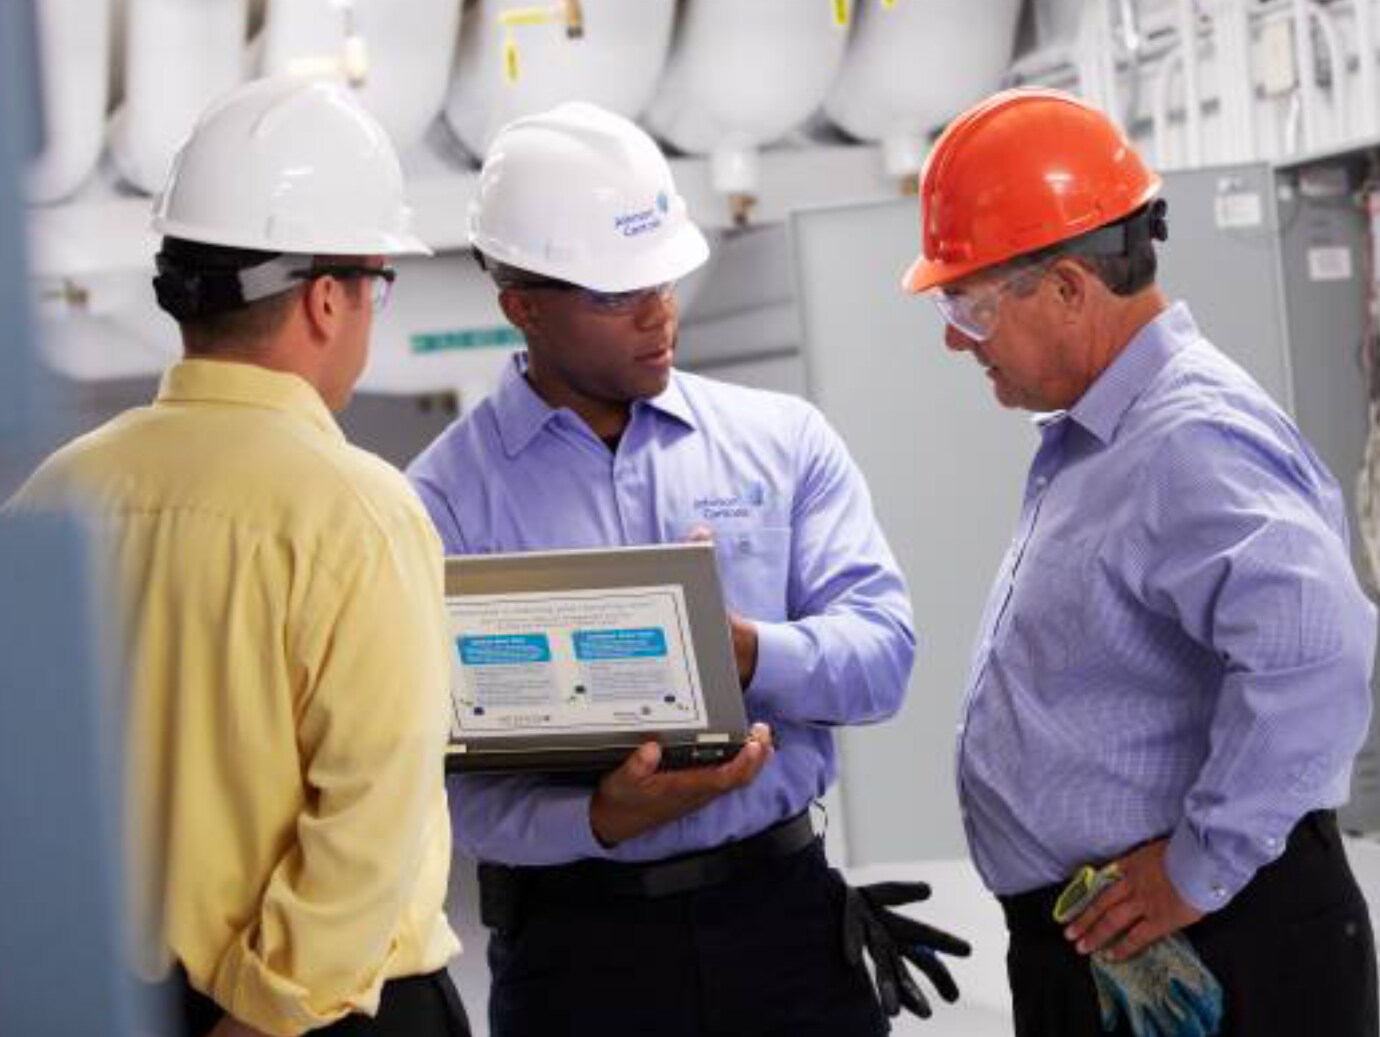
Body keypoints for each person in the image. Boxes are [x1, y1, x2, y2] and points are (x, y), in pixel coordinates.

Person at [407, 101, 968, 1037]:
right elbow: (441, 785)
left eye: (662, 279)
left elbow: (884, 658)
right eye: (617, 294)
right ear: (522, 305)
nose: (658, 312)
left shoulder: (780, 442)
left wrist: (747, 653)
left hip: (784, 926)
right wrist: (598, 817)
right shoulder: (441, 505)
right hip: (577, 959)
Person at [902, 86, 1380, 1036]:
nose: (958, 338)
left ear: (1072, 287)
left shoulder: (1188, 437)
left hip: (1213, 942)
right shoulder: (1103, 439)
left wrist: (1200, 864)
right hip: (1128, 945)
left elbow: (1316, 654)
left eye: (971, 303)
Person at [6, 77, 468, 1037]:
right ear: (330, 298)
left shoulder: (51, 498)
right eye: (377, 284)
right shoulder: (358, 513)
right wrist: (266, 1013)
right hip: (322, 1015)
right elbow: (370, 828)